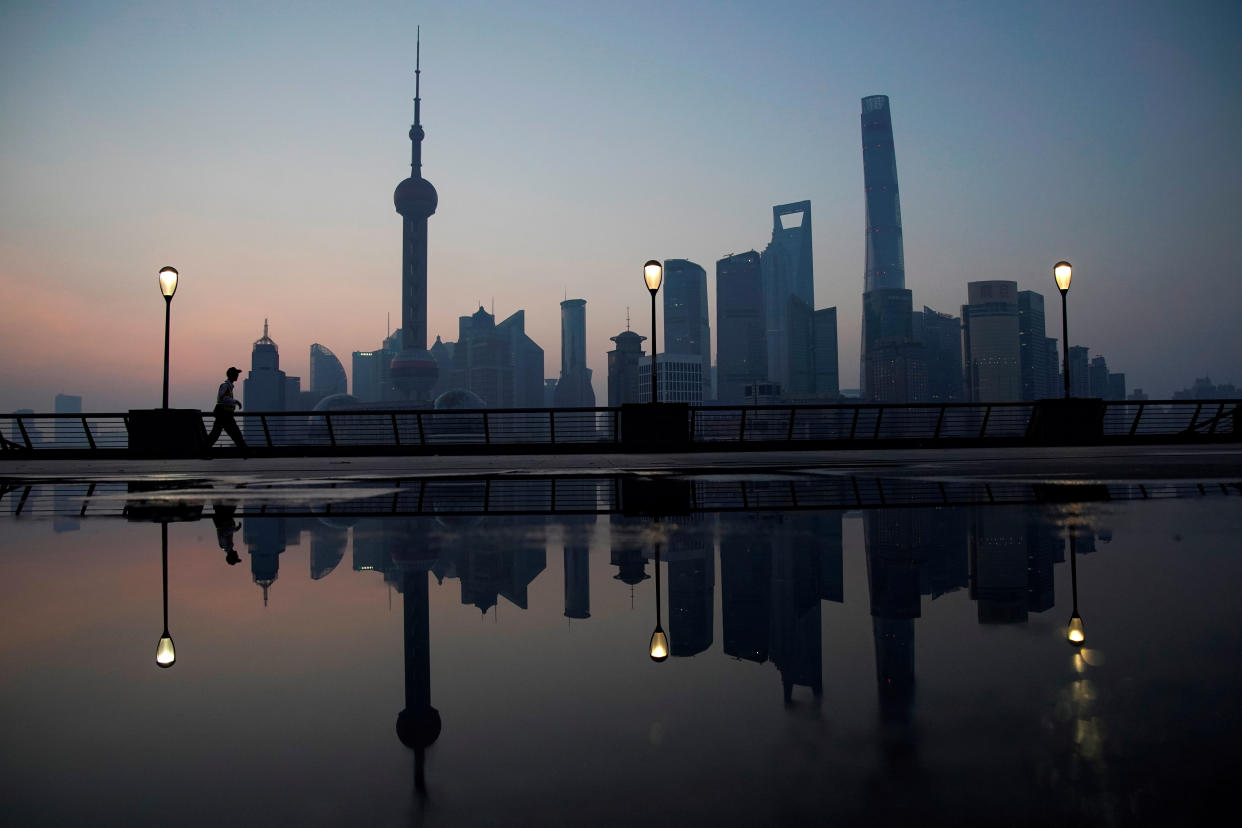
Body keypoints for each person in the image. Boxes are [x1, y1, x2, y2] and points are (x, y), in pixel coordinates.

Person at [205, 366, 247, 454]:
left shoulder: (228, 386)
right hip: (225, 415)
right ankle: (245, 452)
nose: (237, 375)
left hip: (223, 414)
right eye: (236, 374)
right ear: (231, 375)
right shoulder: (226, 386)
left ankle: (204, 451)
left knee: (216, 434)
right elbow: (223, 398)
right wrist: (235, 401)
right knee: (235, 433)